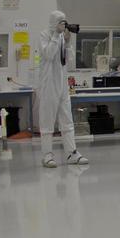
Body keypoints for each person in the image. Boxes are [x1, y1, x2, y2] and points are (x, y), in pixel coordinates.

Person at [38, 10, 87, 168]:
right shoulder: (44, 35)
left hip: (62, 84)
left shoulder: (61, 37)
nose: (63, 25)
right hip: (48, 84)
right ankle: (47, 155)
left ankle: (72, 153)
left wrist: (67, 43)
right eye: (61, 21)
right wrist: (55, 36)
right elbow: (48, 55)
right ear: (54, 22)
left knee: (67, 120)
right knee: (47, 121)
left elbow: (69, 61)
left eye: (64, 22)